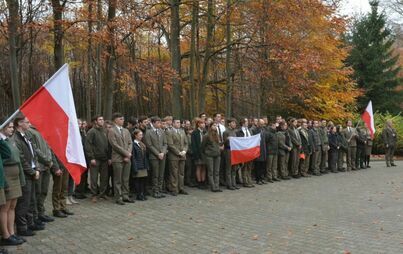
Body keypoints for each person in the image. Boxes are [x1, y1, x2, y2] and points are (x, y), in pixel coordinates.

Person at [12, 115, 42, 236]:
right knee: (24, 202)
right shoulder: (16, 139)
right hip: (26, 174)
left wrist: (37, 168)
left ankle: (30, 222)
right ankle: (22, 228)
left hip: (33, 171)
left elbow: (33, 153)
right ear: (19, 123)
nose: (29, 124)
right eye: (27, 122)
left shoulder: (27, 136)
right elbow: (22, 159)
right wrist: (32, 171)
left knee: (32, 199)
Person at [0, 122, 25, 246]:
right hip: (6, 174)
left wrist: (21, 177)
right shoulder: (2, 141)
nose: (11, 129)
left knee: (13, 206)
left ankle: (11, 232)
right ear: (2, 127)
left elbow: (18, 158)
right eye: (9, 127)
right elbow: (6, 156)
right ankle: (5, 235)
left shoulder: (11, 140)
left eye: (12, 127)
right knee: (5, 207)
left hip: (15, 174)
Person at [25, 126, 55, 224]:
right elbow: (35, 149)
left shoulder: (43, 129)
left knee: (44, 191)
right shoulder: (30, 131)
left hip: (46, 166)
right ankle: (36, 214)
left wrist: (49, 159)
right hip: (39, 166)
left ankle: (41, 212)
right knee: (37, 192)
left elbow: (48, 146)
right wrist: (46, 160)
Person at [107, 113, 134, 205]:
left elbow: (130, 143)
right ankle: (118, 197)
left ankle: (125, 195)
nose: (123, 120)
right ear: (115, 120)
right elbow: (114, 145)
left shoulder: (126, 131)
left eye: (123, 119)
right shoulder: (111, 131)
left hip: (127, 158)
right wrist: (126, 154)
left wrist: (128, 153)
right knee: (118, 179)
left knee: (125, 179)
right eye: (121, 119)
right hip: (118, 158)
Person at [85, 115, 110, 203]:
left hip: (105, 159)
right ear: (95, 121)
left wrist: (109, 157)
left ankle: (102, 194)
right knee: (94, 178)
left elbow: (108, 145)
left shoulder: (105, 131)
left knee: (104, 178)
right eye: (100, 119)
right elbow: (88, 145)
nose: (102, 121)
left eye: (102, 119)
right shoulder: (91, 132)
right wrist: (91, 158)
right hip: (95, 159)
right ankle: (94, 195)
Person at [144, 117, 168, 198]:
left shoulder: (162, 131)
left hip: (162, 155)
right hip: (154, 156)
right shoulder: (148, 132)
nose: (159, 124)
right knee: (155, 174)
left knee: (161, 174)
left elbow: (165, 143)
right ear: (153, 123)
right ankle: (155, 191)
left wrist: (163, 152)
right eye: (158, 123)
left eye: (160, 123)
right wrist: (158, 154)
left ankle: (160, 190)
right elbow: (149, 145)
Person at [166, 119, 189, 196]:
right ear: (173, 123)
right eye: (177, 122)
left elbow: (186, 143)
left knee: (181, 173)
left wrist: (184, 151)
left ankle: (181, 188)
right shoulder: (169, 132)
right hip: (174, 155)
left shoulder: (182, 131)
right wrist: (178, 152)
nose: (179, 124)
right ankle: (174, 189)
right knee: (174, 173)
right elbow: (170, 144)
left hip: (182, 155)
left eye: (180, 122)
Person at [201, 122, 223, 192]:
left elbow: (219, 144)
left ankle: (217, 186)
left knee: (216, 172)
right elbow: (202, 146)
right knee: (211, 172)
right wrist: (207, 153)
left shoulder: (217, 134)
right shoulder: (206, 135)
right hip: (209, 156)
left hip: (217, 155)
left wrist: (223, 143)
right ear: (210, 126)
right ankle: (213, 187)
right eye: (214, 125)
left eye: (216, 125)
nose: (215, 126)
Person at [131, 130, 149, 201]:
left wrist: (146, 165)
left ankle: (142, 193)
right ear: (135, 135)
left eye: (142, 135)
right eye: (140, 135)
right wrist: (135, 167)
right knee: (137, 180)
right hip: (138, 165)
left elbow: (144, 156)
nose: (141, 136)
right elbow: (134, 157)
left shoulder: (142, 144)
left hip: (143, 165)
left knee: (143, 180)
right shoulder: (133, 144)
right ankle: (139, 194)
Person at [236, 118, 254, 187]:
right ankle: (245, 181)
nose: (247, 123)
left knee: (249, 167)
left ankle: (249, 180)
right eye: (246, 121)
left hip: (250, 151)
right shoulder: (239, 131)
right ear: (243, 123)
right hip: (243, 151)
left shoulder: (250, 130)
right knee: (245, 167)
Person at [222, 118, 239, 190]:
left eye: (235, 123)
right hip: (228, 150)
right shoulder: (225, 132)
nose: (234, 124)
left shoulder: (235, 132)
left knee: (234, 168)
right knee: (229, 168)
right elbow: (223, 142)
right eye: (233, 123)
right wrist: (227, 139)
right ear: (229, 123)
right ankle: (229, 184)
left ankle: (234, 183)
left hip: (234, 151)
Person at [191, 118, 207, 189]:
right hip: (198, 153)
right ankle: (199, 181)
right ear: (198, 124)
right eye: (202, 123)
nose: (203, 124)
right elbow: (194, 145)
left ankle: (203, 181)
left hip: (205, 153)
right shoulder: (195, 132)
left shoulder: (205, 132)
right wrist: (196, 154)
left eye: (204, 123)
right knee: (199, 167)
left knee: (204, 167)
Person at [253, 119, 267, 185]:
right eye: (261, 124)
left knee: (262, 165)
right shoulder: (255, 130)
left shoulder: (263, 130)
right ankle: (258, 179)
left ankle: (261, 178)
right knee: (258, 165)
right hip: (257, 150)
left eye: (263, 124)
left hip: (263, 149)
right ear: (258, 123)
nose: (262, 125)